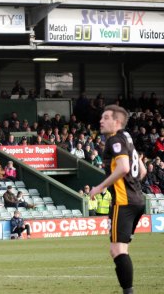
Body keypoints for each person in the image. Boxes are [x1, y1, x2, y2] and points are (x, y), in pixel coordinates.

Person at [90, 105, 147, 294]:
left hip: (123, 201)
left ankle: (128, 292)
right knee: (121, 249)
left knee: (117, 250)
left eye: (106, 117)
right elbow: (143, 171)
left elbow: (123, 168)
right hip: (137, 199)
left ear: (117, 122)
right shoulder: (128, 138)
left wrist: (100, 187)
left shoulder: (114, 140)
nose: (101, 120)